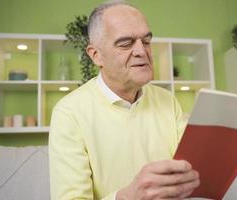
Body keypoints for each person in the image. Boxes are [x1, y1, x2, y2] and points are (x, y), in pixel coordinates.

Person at [49, 1, 200, 199]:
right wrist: (128, 196)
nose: (141, 51)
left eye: (146, 41)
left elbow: (197, 163)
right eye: (125, 44)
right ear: (96, 56)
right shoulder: (68, 113)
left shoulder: (167, 100)